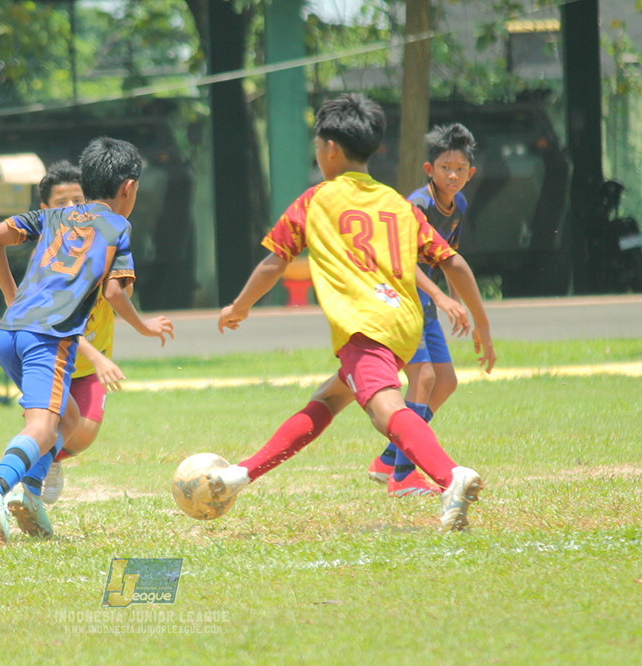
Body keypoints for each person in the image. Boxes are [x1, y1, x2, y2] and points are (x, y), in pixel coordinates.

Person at [212, 94, 496, 533]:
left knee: (387, 412)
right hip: (402, 324)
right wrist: (483, 324)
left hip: (364, 326)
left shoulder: (315, 200)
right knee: (328, 399)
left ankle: (449, 476)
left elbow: (274, 262)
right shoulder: (397, 203)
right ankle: (240, 475)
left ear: (329, 149)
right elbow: (453, 262)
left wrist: (239, 307)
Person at [0, 137, 173, 544]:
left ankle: (29, 493)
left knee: (70, 417)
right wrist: (144, 326)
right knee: (44, 426)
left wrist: (12, 297)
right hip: (50, 337)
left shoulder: (54, 217)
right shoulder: (118, 226)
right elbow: (116, 294)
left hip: (10, 333)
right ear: (128, 188)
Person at [367, 123, 485, 496]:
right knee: (424, 378)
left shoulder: (458, 206)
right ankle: (402, 477)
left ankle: (390, 458)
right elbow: (403, 261)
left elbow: (448, 258)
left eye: (460, 168)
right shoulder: (416, 205)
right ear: (428, 169)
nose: (452, 174)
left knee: (446, 381)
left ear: (471, 173)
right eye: (445, 166)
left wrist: (456, 303)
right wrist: (442, 297)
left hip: (428, 302)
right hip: (399, 298)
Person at [17, 161, 128, 506]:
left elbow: (116, 292)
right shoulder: (50, 258)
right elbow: (56, 320)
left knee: (85, 434)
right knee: (48, 428)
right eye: (60, 203)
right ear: (45, 211)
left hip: (91, 361)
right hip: (54, 356)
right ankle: (17, 473)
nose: (70, 208)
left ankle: (47, 461)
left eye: (76, 200)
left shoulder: (106, 237)